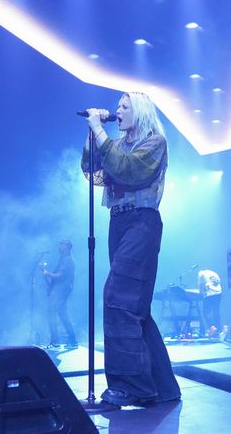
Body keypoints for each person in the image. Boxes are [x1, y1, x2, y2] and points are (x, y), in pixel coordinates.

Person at [81, 91, 180, 407]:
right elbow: (93, 172)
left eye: (124, 106)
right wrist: (92, 133)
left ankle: (132, 386)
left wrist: (100, 131)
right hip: (119, 223)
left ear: (139, 111)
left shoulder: (155, 143)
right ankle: (163, 386)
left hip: (142, 222)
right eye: (117, 106)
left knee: (118, 297)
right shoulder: (118, 145)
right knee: (136, 307)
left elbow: (129, 170)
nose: (117, 110)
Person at [42, 239, 78, 349]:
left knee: (51, 314)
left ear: (67, 246)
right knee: (63, 315)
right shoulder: (64, 259)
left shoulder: (68, 260)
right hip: (61, 291)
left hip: (60, 292)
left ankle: (55, 342)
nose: (60, 247)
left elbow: (60, 276)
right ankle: (73, 341)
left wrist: (47, 273)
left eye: (61, 245)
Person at [197, 269, 222, 338]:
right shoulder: (213, 272)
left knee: (206, 312)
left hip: (210, 294)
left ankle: (212, 327)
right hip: (219, 293)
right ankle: (218, 329)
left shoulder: (201, 273)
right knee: (216, 312)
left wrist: (200, 293)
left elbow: (200, 285)